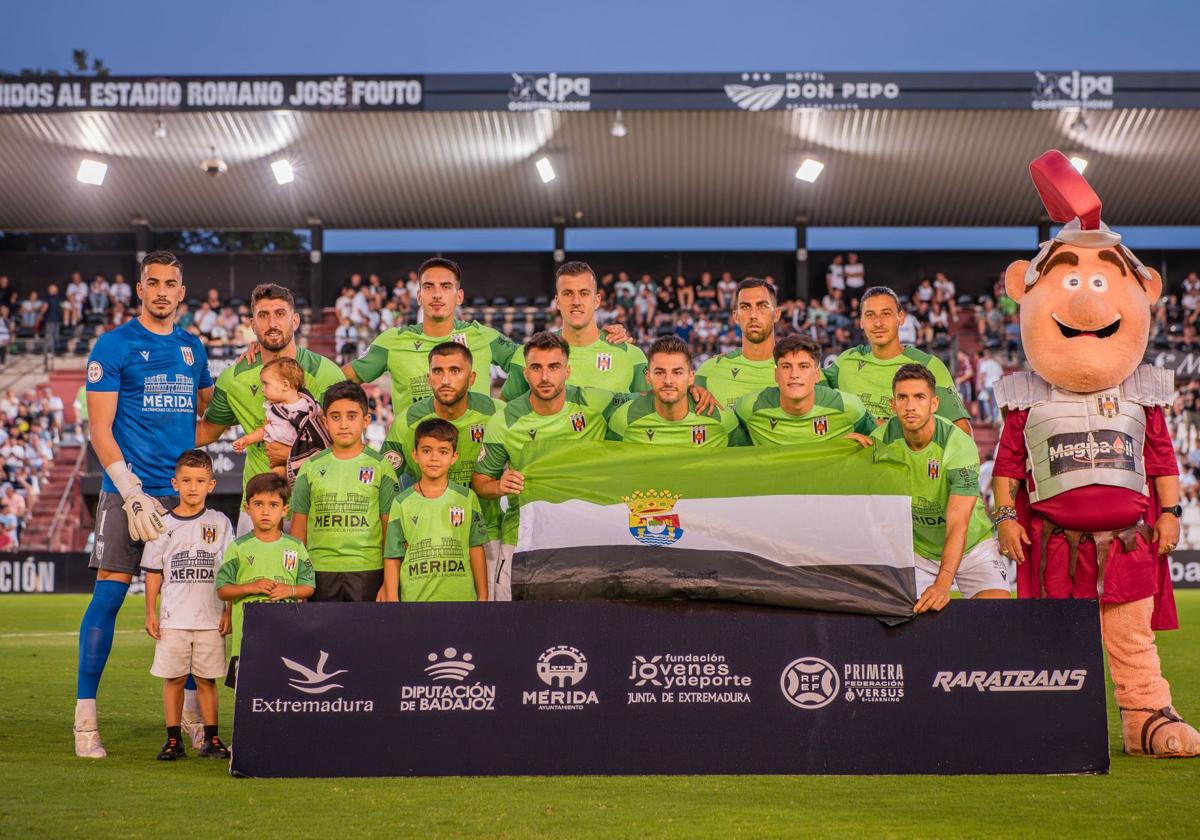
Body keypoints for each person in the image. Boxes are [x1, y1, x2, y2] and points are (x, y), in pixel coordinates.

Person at [75, 250, 213, 759]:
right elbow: (99, 430)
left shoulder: (192, 350)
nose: (161, 291)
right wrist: (131, 492)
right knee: (109, 596)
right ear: (140, 288)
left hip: (181, 497)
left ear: (182, 291)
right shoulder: (113, 345)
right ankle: (85, 718)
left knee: (196, 604)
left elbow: (206, 418)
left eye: (170, 283)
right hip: (125, 493)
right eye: (152, 282)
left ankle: (197, 718)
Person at [473, 331, 613, 600]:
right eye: (536, 368)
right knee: (511, 624)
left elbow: (651, 400)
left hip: (580, 536)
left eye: (554, 367)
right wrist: (499, 485)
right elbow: (480, 481)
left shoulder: (595, 404)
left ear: (567, 371)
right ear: (526, 374)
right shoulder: (505, 420)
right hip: (522, 538)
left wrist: (694, 392)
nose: (545, 376)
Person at [196, 284, 343, 533]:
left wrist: (292, 455)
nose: (272, 322)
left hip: (319, 504)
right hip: (256, 506)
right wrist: (148, 430)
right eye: (263, 315)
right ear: (252, 325)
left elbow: (348, 446)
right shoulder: (234, 379)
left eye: (280, 314)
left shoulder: (327, 373)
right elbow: (206, 432)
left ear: (295, 320)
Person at [868, 364, 1009, 612]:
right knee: (913, 623)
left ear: (934, 404)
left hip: (971, 547)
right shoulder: (879, 443)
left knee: (996, 616)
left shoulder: (957, 443)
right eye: (903, 397)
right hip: (918, 551)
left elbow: (957, 524)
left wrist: (943, 584)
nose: (910, 406)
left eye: (919, 397)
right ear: (893, 405)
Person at [346, 257, 521, 441]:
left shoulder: (484, 337)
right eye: (429, 287)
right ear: (419, 296)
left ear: (459, 296)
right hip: (414, 464)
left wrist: (501, 404)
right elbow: (342, 379)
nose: (437, 294)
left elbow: (528, 360)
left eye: (445, 286)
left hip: (477, 462)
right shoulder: (393, 341)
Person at [386, 342, 504, 591]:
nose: (445, 379)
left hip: (488, 535)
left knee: (489, 618)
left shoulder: (497, 414)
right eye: (438, 371)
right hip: (426, 541)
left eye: (455, 371)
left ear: (471, 378)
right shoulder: (407, 422)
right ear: (429, 377)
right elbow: (384, 484)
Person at [140, 450, 234, 759]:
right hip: (174, 618)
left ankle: (212, 738)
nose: (193, 487)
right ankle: (173, 739)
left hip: (210, 616)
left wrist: (229, 611)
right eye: (186, 481)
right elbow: (154, 572)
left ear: (211, 484)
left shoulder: (219, 523)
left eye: (200, 481)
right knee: (175, 678)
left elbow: (229, 570)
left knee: (208, 679)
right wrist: (151, 612)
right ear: (175, 484)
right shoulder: (163, 524)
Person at [290, 381, 398, 602]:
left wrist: (389, 583)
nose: (343, 424)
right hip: (319, 571)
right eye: (335, 417)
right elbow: (298, 532)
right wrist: (298, 579)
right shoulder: (309, 468)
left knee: (366, 637)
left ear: (366, 420)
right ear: (325, 421)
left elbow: (391, 533)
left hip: (368, 570)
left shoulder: (381, 467)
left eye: (351, 416)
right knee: (323, 638)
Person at [823, 286, 971, 434]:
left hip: (903, 456)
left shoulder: (928, 365)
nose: (878, 323)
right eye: (870, 315)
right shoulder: (845, 361)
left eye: (886, 314)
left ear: (900, 317)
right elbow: (810, 387)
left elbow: (963, 433)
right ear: (861, 321)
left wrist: (890, 431)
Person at [217, 472, 314, 690]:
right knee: (247, 693)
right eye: (258, 504)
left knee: (281, 690)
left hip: (285, 634)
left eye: (273, 505)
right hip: (246, 637)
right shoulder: (238, 547)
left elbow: (308, 586)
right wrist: (251, 587)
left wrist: (288, 590)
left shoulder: (295, 547)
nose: (265, 511)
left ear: (285, 510)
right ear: (247, 508)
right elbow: (223, 590)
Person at [502, 262, 644, 399]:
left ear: (597, 300)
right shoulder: (529, 355)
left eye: (584, 293)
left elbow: (653, 414)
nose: (576, 301)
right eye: (568, 293)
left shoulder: (631, 355)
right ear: (557, 301)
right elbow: (505, 412)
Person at [383, 418, 488, 602]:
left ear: (454, 457)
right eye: (426, 451)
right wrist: (392, 598)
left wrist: (483, 595)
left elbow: (475, 548)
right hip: (416, 601)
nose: (434, 458)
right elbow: (393, 555)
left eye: (443, 451)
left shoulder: (467, 498)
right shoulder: (401, 502)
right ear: (414, 455)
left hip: (461, 600)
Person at [736, 335, 876, 447]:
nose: (794, 374)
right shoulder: (750, 407)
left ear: (816, 375)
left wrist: (865, 445)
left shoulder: (847, 407)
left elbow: (880, 441)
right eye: (786, 367)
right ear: (776, 374)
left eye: (803, 366)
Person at [606, 336, 744, 447]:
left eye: (677, 372)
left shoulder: (722, 420)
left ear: (691, 378)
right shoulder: (624, 420)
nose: (668, 380)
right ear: (648, 377)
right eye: (659, 372)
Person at [231, 357, 329, 483]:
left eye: (266, 384)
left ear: (285, 385)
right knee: (275, 479)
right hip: (279, 465)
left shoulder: (310, 407)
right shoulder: (272, 409)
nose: (262, 389)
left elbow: (319, 430)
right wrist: (247, 439)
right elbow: (265, 430)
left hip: (303, 455)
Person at [694, 278, 781, 407]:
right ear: (735, 317)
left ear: (776, 314)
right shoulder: (709, 371)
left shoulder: (798, 370)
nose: (753, 315)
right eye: (745, 307)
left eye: (762, 306)